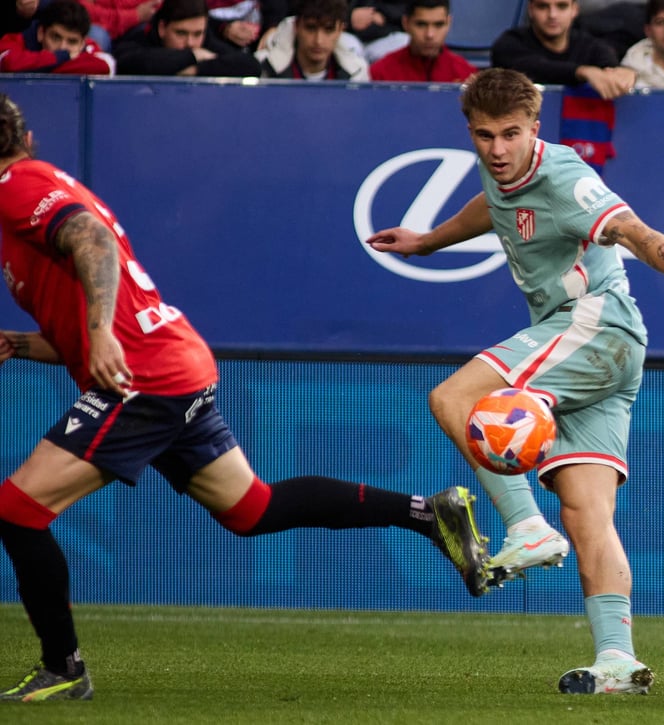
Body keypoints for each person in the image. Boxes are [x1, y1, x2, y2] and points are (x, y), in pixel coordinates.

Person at [0, 93, 490, 702]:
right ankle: (428, 513)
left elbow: (93, 241)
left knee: (17, 510)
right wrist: (22, 344)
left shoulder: (16, 185)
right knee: (251, 509)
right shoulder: (34, 189)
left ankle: (64, 668)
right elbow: (82, 317)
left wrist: (101, 334)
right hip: (172, 365)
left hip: (145, 377)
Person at [365, 68, 664, 694]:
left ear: (536, 127)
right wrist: (430, 242)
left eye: (510, 134)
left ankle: (524, 526)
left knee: (455, 397)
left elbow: (635, 232)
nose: (497, 149)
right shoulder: (501, 171)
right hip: (604, 356)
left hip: (594, 324)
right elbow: (493, 207)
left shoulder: (566, 177)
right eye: (484, 135)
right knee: (586, 514)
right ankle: (618, 662)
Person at [491, 0, 638, 100]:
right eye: (543, 6)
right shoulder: (510, 43)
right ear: (531, 10)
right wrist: (582, 72)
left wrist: (622, 73)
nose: (552, 15)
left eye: (562, 6)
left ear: (574, 10)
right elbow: (531, 67)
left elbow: (608, 65)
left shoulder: (589, 44)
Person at [114, 0, 260, 76]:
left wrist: (196, 70)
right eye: (181, 33)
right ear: (162, 28)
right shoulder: (141, 37)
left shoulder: (207, 41)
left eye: (197, 34)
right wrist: (193, 56)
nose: (190, 43)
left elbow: (250, 66)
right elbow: (129, 62)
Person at [256, 0, 367, 80]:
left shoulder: (357, 73)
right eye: (311, 28)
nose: (318, 41)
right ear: (296, 26)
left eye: (328, 29)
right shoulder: (263, 68)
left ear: (340, 30)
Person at [369, 0, 475, 83]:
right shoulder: (380, 74)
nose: (430, 35)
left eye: (438, 25)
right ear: (406, 23)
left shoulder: (466, 75)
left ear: (449, 23)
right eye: (421, 24)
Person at [0, 0, 116, 74]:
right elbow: (10, 65)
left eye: (72, 42)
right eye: (56, 38)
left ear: (82, 43)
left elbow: (104, 66)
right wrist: (64, 57)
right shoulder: (15, 40)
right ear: (41, 33)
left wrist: (35, 65)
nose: (62, 47)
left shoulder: (90, 47)